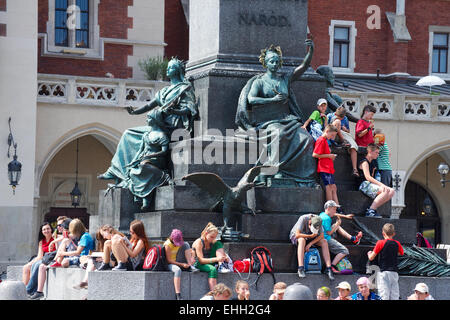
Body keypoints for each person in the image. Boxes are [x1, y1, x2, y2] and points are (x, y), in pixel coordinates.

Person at [98, 57, 198, 201]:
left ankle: (129, 173)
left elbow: (189, 109)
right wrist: (134, 112)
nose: (167, 70)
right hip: (159, 124)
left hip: (172, 127)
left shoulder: (183, 89)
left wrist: (173, 112)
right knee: (128, 133)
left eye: (170, 68)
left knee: (136, 135)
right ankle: (115, 171)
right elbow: (149, 106)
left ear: (177, 71)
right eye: (168, 67)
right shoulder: (164, 91)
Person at [235, 39, 318, 188]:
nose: (274, 64)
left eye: (276, 61)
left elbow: (303, 67)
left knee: (307, 139)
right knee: (278, 134)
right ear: (265, 63)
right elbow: (251, 99)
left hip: (287, 120)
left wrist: (310, 52)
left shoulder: (284, 79)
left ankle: (300, 175)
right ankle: (272, 171)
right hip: (268, 121)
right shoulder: (259, 82)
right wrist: (272, 100)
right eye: (271, 61)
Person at [29, 218, 73, 300]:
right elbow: (40, 255)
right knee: (34, 265)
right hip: (50, 259)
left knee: (39, 265)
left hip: (60, 259)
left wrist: (54, 241)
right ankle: (35, 291)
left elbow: (60, 251)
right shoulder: (43, 240)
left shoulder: (61, 236)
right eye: (58, 225)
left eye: (61, 225)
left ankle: (30, 290)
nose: (59, 227)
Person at [73, 225, 125, 290]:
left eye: (103, 234)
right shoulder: (110, 241)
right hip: (111, 262)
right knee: (90, 261)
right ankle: (85, 282)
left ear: (107, 231)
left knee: (92, 263)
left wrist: (104, 257)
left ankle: (85, 282)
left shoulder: (116, 239)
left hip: (116, 264)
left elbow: (115, 259)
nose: (104, 237)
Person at [319, 200, 362, 273]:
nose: (335, 211)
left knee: (335, 226)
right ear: (329, 208)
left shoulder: (322, 214)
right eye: (334, 209)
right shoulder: (327, 219)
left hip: (322, 236)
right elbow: (329, 233)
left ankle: (353, 239)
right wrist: (337, 224)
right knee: (344, 251)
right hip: (326, 238)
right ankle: (332, 266)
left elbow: (334, 214)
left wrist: (345, 216)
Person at [289, 214, 335, 280]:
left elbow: (321, 236)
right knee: (302, 240)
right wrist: (310, 236)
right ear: (309, 223)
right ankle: (300, 268)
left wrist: (310, 243)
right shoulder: (303, 218)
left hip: (311, 238)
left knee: (324, 242)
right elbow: (297, 235)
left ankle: (329, 268)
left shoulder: (319, 221)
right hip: (299, 236)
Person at [367, 223, 404, 300]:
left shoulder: (380, 243)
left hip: (384, 272)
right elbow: (401, 253)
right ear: (394, 233)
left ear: (383, 233)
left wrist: (369, 254)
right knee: (394, 296)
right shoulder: (397, 243)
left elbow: (371, 258)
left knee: (383, 295)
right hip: (394, 273)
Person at [358, 143, 395, 218]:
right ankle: (371, 210)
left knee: (392, 191)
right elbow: (368, 177)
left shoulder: (373, 163)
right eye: (376, 152)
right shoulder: (364, 162)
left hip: (369, 184)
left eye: (378, 153)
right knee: (386, 190)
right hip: (363, 185)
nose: (378, 154)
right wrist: (382, 185)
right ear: (370, 151)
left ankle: (372, 209)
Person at [192, 222, 231, 291]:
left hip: (210, 261)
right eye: (212, 237)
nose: (213, 239)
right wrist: (217, 259)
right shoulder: (199, 242)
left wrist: (224, 257)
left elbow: (219, 250)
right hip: (198, 264)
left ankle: (222, 265)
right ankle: (214, 293)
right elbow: (201, 260)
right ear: (206, 234)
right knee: (212, 269)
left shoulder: (213, 241)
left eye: (215, 237)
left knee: (218, 243)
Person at [164, 229, 198, 300]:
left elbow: (191, 251)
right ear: (172, 238)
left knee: (186, 244)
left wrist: (192, 258)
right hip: (170, 264)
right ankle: (178, 295)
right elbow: (169, 260)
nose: (178, 244)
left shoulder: (181, 243)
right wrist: (182, 264)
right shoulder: (168, 245)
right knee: (177, 270)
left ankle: (190, 266)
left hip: (178, 260)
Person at [23, 222, 55, 296]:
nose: (46, 231)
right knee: (26, 267)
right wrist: (30, 263)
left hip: (52, 258)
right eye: (44, 229)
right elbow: (39, 256)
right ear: (42, 231)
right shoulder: (41, 241)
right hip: (44, 258)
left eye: (48, 229)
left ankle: (29, 290)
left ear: (51, 229)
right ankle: (23, 289)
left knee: (37, 264)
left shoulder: (55, 237)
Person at [313, 124, 340, 206]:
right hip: (324, 167)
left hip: (328, 167)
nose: (332, 137)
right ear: (327, 131)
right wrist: (329, 156)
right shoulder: (321, 140)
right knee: (329, 186)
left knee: (333, 187)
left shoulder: (324, 140)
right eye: (332, 135)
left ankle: (337, 206)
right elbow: (315, 154)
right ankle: (331, 206)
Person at [330, 106, 360, 177]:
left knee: (353, 147)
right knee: (337, 122)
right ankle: (343, 141)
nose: (340, 118)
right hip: (333, 134)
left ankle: (355, 169)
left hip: (343, 134)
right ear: (335, 114)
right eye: (339, 116)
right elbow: (327, 127)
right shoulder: (330, 116)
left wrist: (345, 129)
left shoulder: (345, 119)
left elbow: (348, 131)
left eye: (342, 117)